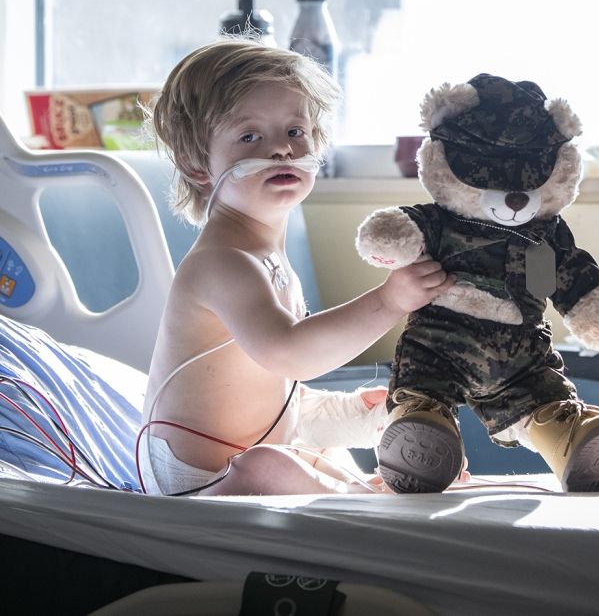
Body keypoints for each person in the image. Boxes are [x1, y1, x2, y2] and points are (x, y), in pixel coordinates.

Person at [139, 38, 456, 496]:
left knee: (313, 450)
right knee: (267, 465)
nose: (281, 151)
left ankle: (374, 487)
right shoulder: (221, 264)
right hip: (198, 483)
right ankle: (362, 502)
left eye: (294, 131)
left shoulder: (269, 254)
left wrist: (350, 412)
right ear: (197, 164)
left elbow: (269, 389)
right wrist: (390, 301)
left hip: (256, 450)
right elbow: (290, 354)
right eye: (250, 137)